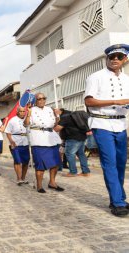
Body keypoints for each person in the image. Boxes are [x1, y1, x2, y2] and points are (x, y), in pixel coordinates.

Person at [84, 44, 129, 217]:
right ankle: (117, 202)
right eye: (112, 57)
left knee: (120, 164)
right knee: (109, 163)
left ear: (125, 59)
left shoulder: (126, 79)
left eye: (119, 56)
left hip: (120, 124)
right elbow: (89, 101)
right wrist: (116, 102)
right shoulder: (96, 77)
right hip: (102, 123)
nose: (115, 59)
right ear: (107, 59)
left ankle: (119, 198)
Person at [23, 93, 64, 193]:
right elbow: (26, 124)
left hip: (51, 138)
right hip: (38, 139)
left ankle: (52, 182)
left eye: (43, 98)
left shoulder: (50, 109)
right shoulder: (31, 110)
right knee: (40, 164)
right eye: (39, 99)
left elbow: (54, 123)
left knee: (56, 163)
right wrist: (28, 114)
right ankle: (39, 186)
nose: (41, 100)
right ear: (35, 100)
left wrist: (57, 116)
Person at [54, 110, 91, 177]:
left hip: (72, 138)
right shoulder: (75, 116)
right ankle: (85, 172)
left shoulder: (65, 117)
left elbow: (57, 129)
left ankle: (73, 172)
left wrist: (56, 121)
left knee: (69, 154)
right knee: (81, 154)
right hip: (82, 137)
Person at [5, 106, 30, 185]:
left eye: (24, 111)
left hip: (25, 142)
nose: (23, 113)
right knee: (18, 161)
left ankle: (23, 178)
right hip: (15, 143)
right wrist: (11, 141)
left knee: (26, 162)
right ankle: (18, 179)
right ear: (17, 112)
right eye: (21, 111)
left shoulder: (28, 120)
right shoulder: (12, 120)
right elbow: (8, 132)